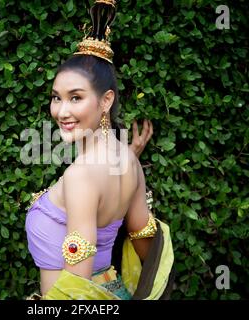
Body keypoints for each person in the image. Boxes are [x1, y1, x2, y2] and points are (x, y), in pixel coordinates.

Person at [24, 0, 174, 300]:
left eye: (76, 98)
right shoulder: (126, 161)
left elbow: (77, 293)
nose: (61, 111)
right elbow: (145, 238)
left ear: (106, 101)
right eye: (56, 98)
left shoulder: (81, 175)